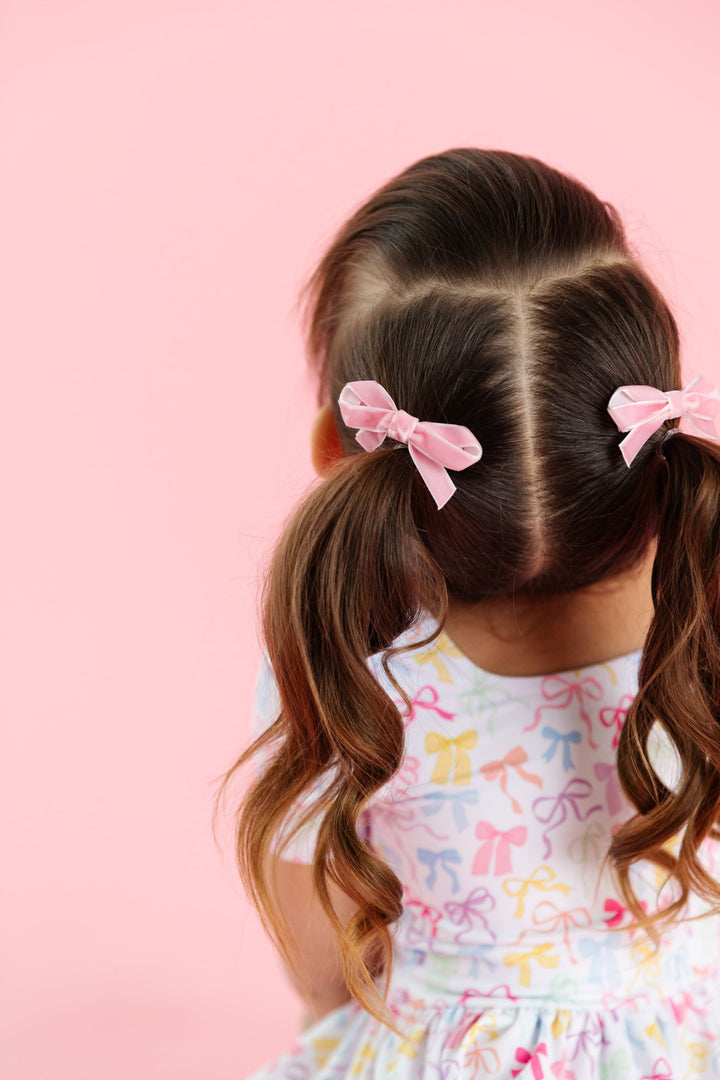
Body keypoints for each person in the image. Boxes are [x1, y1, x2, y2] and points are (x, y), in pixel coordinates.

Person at [213, 148, 720, 1078]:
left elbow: (328, 976)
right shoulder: (711, 614)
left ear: (341, 447)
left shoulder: (347, 661)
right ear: (648, 440)